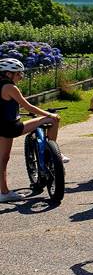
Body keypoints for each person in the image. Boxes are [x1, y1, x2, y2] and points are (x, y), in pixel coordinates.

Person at [0, 58, 62, 202]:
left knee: (3, 159)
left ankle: (4, 192)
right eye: (18, 74)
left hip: (2, 127)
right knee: (52, 120)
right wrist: (49, 114)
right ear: (8, 74)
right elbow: (28, 106)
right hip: (12, 128)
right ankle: (53, 153)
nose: (21, 76)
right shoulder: (10, 87)